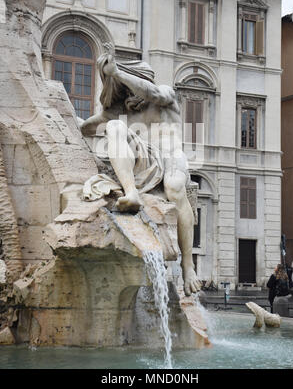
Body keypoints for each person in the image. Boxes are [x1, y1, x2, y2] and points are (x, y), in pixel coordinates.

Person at [81, 43, 202, 296]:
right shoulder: (120, 111)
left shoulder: (164, 93)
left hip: (171, 156)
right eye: (123, 88)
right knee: (114, 127)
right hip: (144, 160)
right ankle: (131, 192)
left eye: (130, 84)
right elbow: (89, 126)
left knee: (174, 186)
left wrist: (117, 72)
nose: (129, 93)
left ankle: (188, 265)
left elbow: (154, 94)